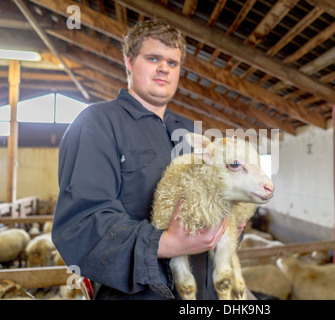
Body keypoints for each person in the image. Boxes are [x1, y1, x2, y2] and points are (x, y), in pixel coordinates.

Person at [52, 18, 232, 300]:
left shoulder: (191, 133)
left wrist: (229, 224)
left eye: (173, 63)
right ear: (129, 61)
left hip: (201, 293)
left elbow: (212, 202)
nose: (164, 68)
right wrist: (165, 243)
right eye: (153, 58)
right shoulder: (97, 123)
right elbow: (81, 225)